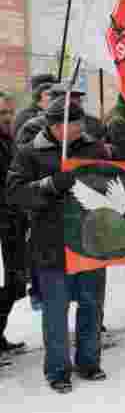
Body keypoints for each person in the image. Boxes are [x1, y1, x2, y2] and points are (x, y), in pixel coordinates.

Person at [6, 97, 110, 393]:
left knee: (92, 304)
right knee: (55, 309)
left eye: (79, 123)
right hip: (51, 242)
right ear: (53, 126)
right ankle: (57, 370)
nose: (77, 129)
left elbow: (115, 181)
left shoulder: (94, 149)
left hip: (91, 240)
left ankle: (89, 362)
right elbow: (15, 193)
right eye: (71, 124)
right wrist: (50, 185)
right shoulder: (29, 153)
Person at [0, 92, 28, 360]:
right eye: (2, 114)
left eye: (10, 112)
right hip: (4, 226)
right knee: (9, 283)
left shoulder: (11, 141)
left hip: (14, 224)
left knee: (15, 284)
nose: (8, 118)